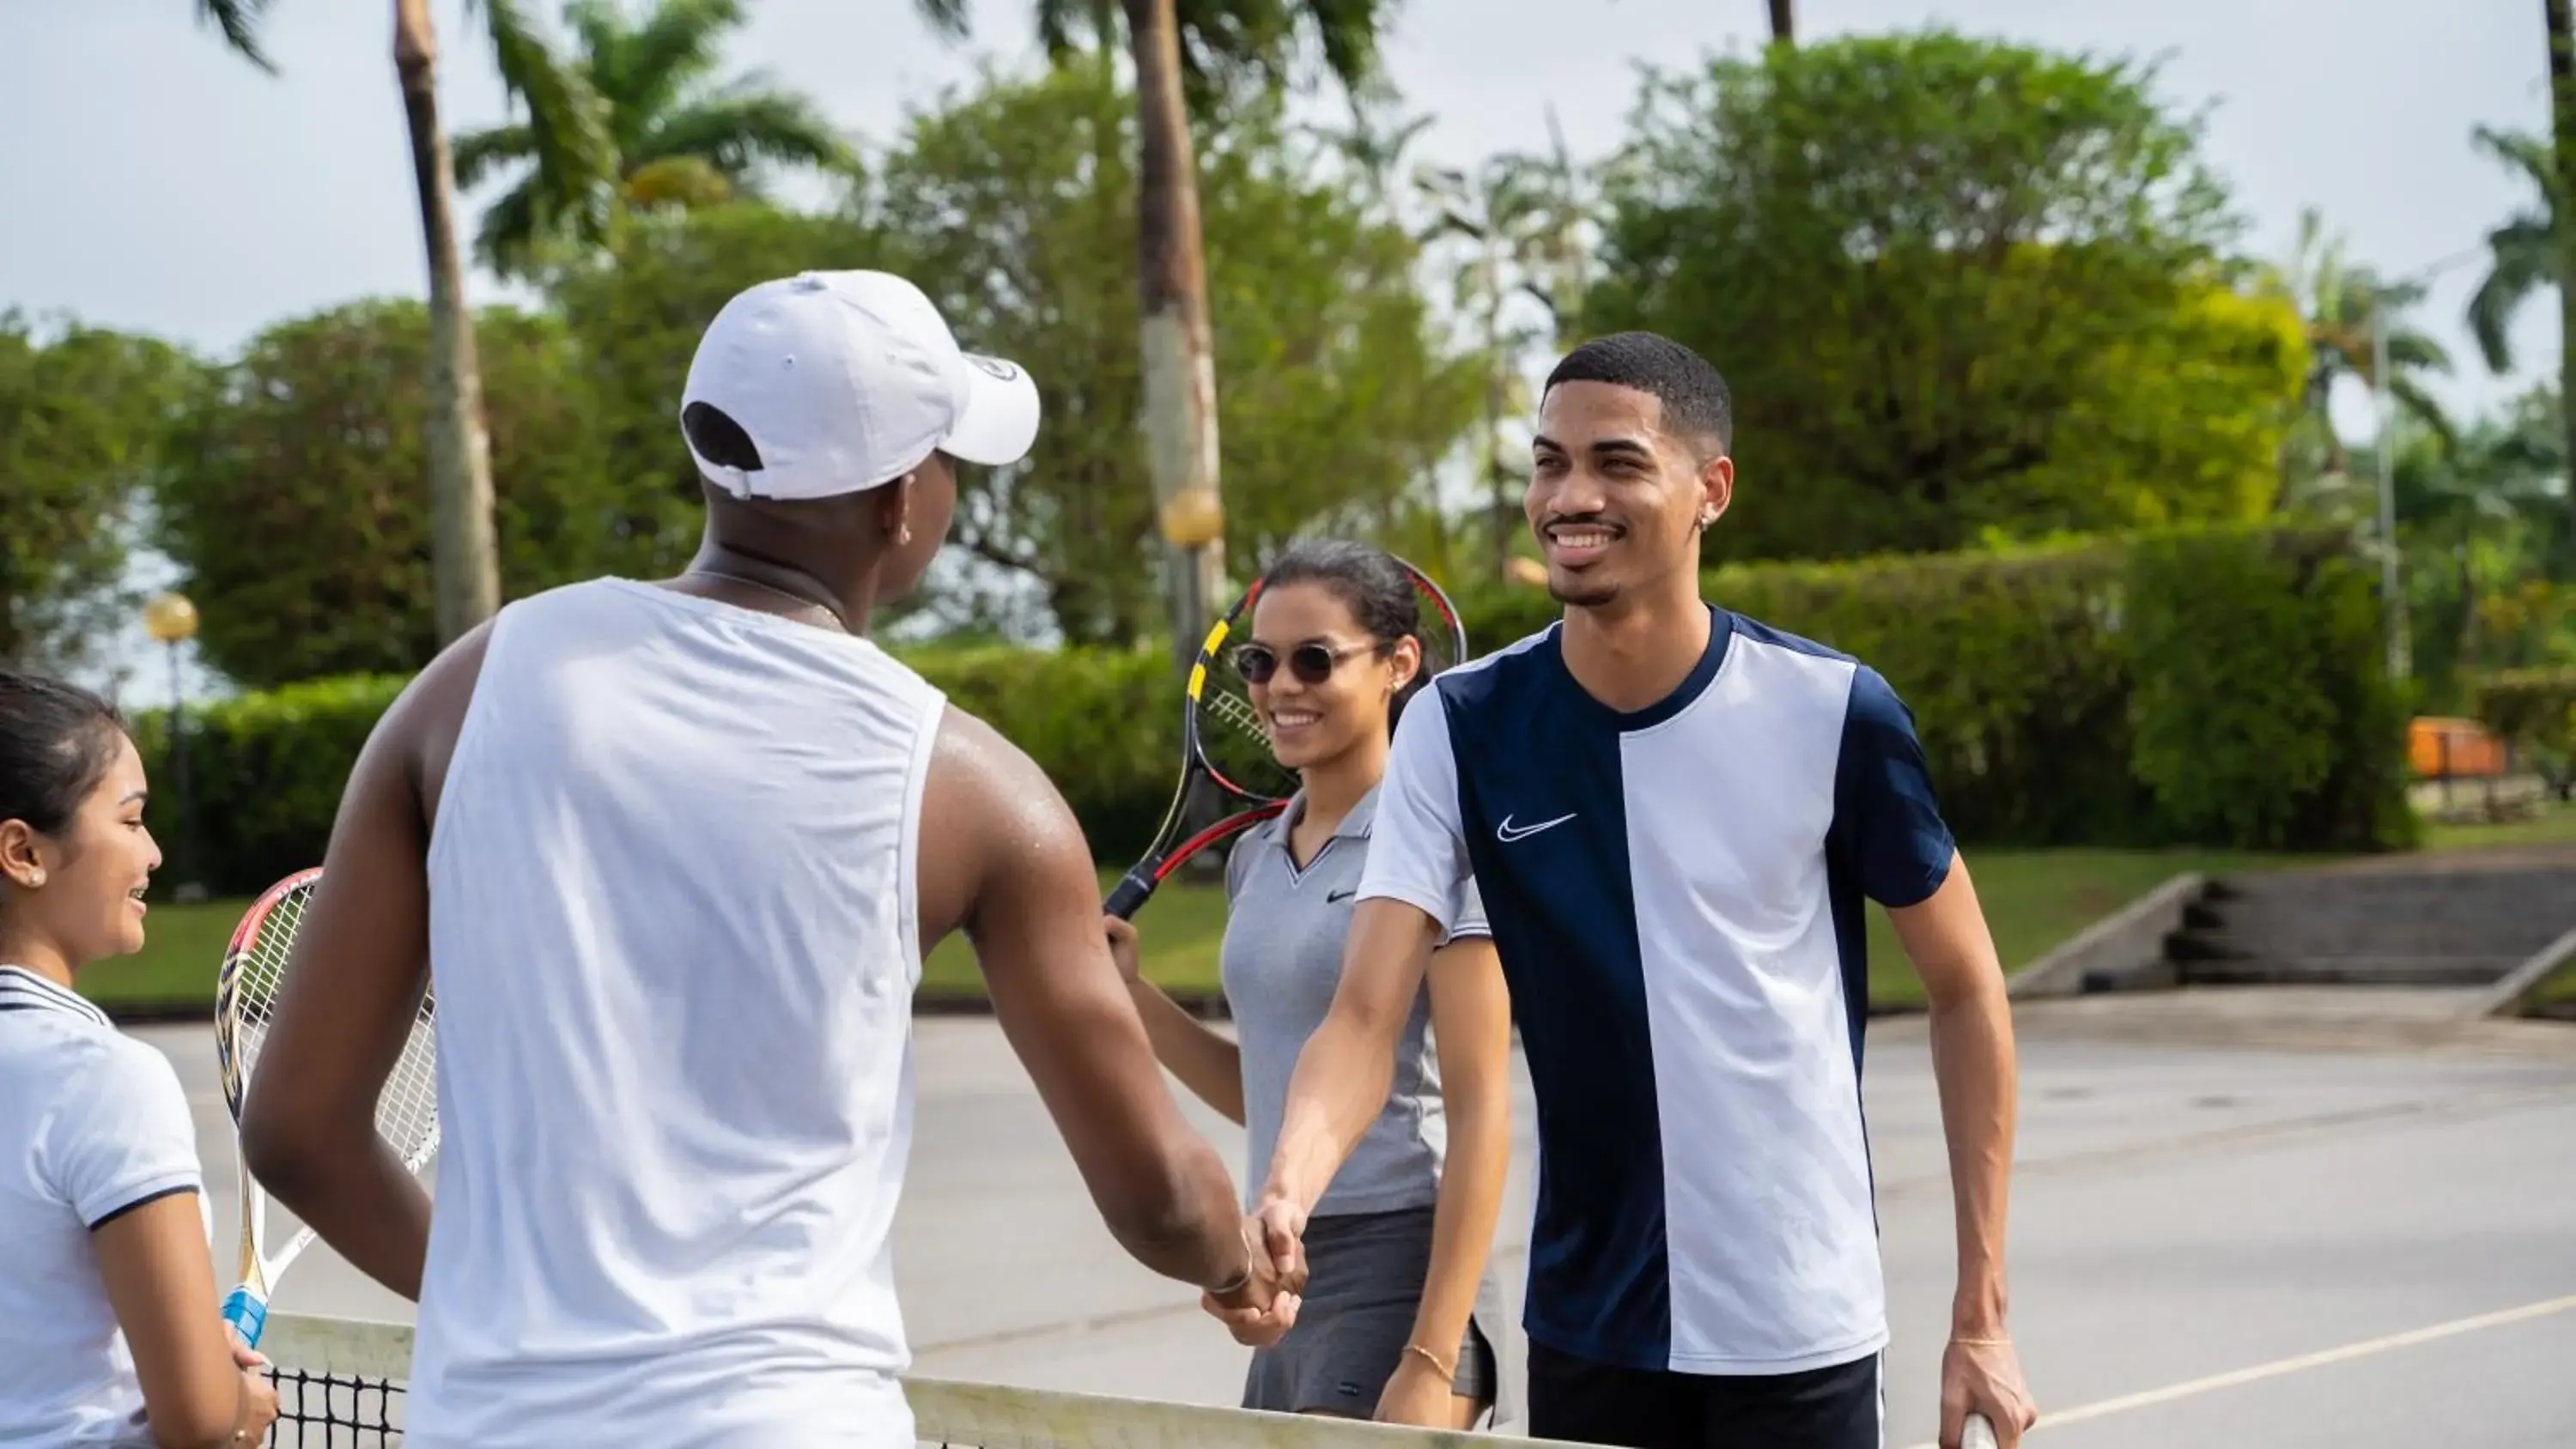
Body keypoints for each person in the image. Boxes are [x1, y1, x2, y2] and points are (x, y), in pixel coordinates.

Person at [234, 270, 1287, 1448]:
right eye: (947, 463)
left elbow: (296, 1132)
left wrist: (511, 1317)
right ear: (901, 502)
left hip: (491, 1420)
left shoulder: (473, 683)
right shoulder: (979, 791)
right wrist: (1236, 1260)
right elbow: (1156, 1194)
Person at [1249, 331, 2040, 1449]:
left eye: (1617, 463)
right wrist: (1287, 1186)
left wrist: (1982, 1314)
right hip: (1590, 1331)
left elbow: (1967, 990)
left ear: (1710, 490)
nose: (1572, 495)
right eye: (1547, 463)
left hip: (1800, 1325)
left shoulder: (1834, 712)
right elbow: (1366, 1017)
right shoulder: (1461, 728)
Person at [1108, 539, 1516, 1430]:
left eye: (1315, 658)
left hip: (1402, 1261)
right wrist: (1133, 996)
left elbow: (1485, 1113)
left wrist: (1433, 1350)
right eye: (1260, 662)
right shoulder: (1256, 855)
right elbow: (1278, 1090)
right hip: (1282, 1263)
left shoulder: (1442, 852)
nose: (1280, 686)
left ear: (1399, 665)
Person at [0, 671, 280, 1449]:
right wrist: (237, 1405)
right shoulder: (102, 1079)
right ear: (23, 852)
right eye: (131, 821)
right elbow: (195, 1419)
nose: (153, 854)